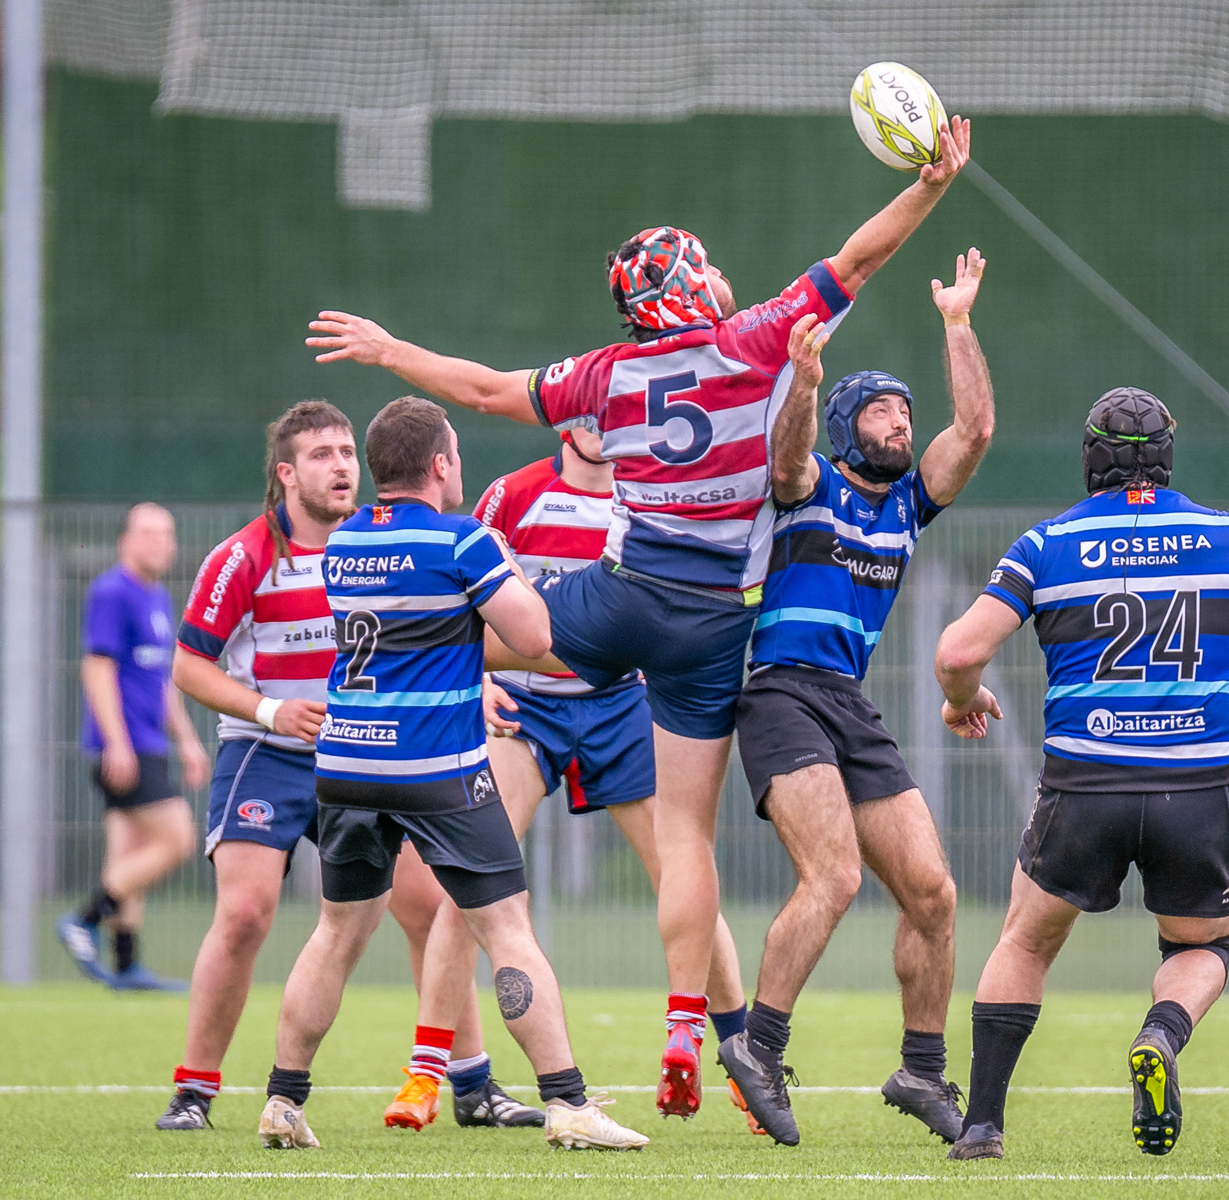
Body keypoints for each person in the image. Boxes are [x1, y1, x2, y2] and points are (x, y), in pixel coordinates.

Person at [306, 116, 972, 1114]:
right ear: (694, 284)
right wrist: (931, 185)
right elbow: (861, 258)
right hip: (710, 624)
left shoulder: (606, 376)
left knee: (479, 636)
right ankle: (684, 1021)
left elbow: (486, 392)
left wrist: (391, 348)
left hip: (618, 595)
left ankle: (381, 685)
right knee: (685, 837)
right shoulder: (753, 340)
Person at [932, 388, 1229, 1161]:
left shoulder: (1046, 544)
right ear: (1167, 454)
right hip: (1199, 788)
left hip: (1084, 785)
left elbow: (958, 653)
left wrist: (965, 699)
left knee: (1025, 942)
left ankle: (982, 1127)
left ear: (1090, 458)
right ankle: (1160, 1034)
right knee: (1204, 948)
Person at [258, 396, 646, 1153]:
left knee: (336, 933)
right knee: (505, 929)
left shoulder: (341, 545)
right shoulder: (465, 542)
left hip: (346, 762)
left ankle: (282, 1098)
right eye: (457, 454)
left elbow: (425, 634)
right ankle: (567, 1102)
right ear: (440, 464)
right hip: (434, 765)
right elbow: (531, 634)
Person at [156, 401, 531, 1132]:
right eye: (322, 455)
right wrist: (270, 710)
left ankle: (472, 1084)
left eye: (347, 452)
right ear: (285, 475)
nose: (341, 466)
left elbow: (430, 633)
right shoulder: (246, 556)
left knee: (432, 909)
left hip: (367, 752)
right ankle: (194, 1091)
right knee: (244, 913)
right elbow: (188, 665)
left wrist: (474, 682)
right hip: (266, 754)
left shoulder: (376, 545)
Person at [381, 424, 753, 1134]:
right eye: (593, 416)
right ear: (566, 424)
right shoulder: (513, 495)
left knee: (683, 870)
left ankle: (744, 1061)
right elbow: (459, 603)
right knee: (470, 886)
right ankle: (425, 1074)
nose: (608, 429)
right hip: (526, 709)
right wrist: (476, 680)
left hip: (619, 705)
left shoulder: (647, 501)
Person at [717, 250, 994, 1147]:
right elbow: (785, 457)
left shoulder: (908, 504)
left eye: (905, 411)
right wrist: (801, 381)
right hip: (780, 694)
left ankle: (920, 1070)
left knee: (935, 895)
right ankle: (759, 1048)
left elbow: (977, 430)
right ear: (848, 422)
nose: (901, 422)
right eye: (881, 409)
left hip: (848, 701)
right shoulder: (813, 486)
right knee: (832, 876)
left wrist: (957, 322)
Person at [57, 503, 209, 991]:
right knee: (177, 839)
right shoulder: (112, 591)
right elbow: (97, 668)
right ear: (125, 540)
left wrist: (187, 740)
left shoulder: (158, 597)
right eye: (147, 533)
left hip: (152, 742)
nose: (159, 542)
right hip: (127, 746)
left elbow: (162, 681)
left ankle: (126, 966)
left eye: (166, 533)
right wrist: (117, 743)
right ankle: (84, 919)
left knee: (130, 849)